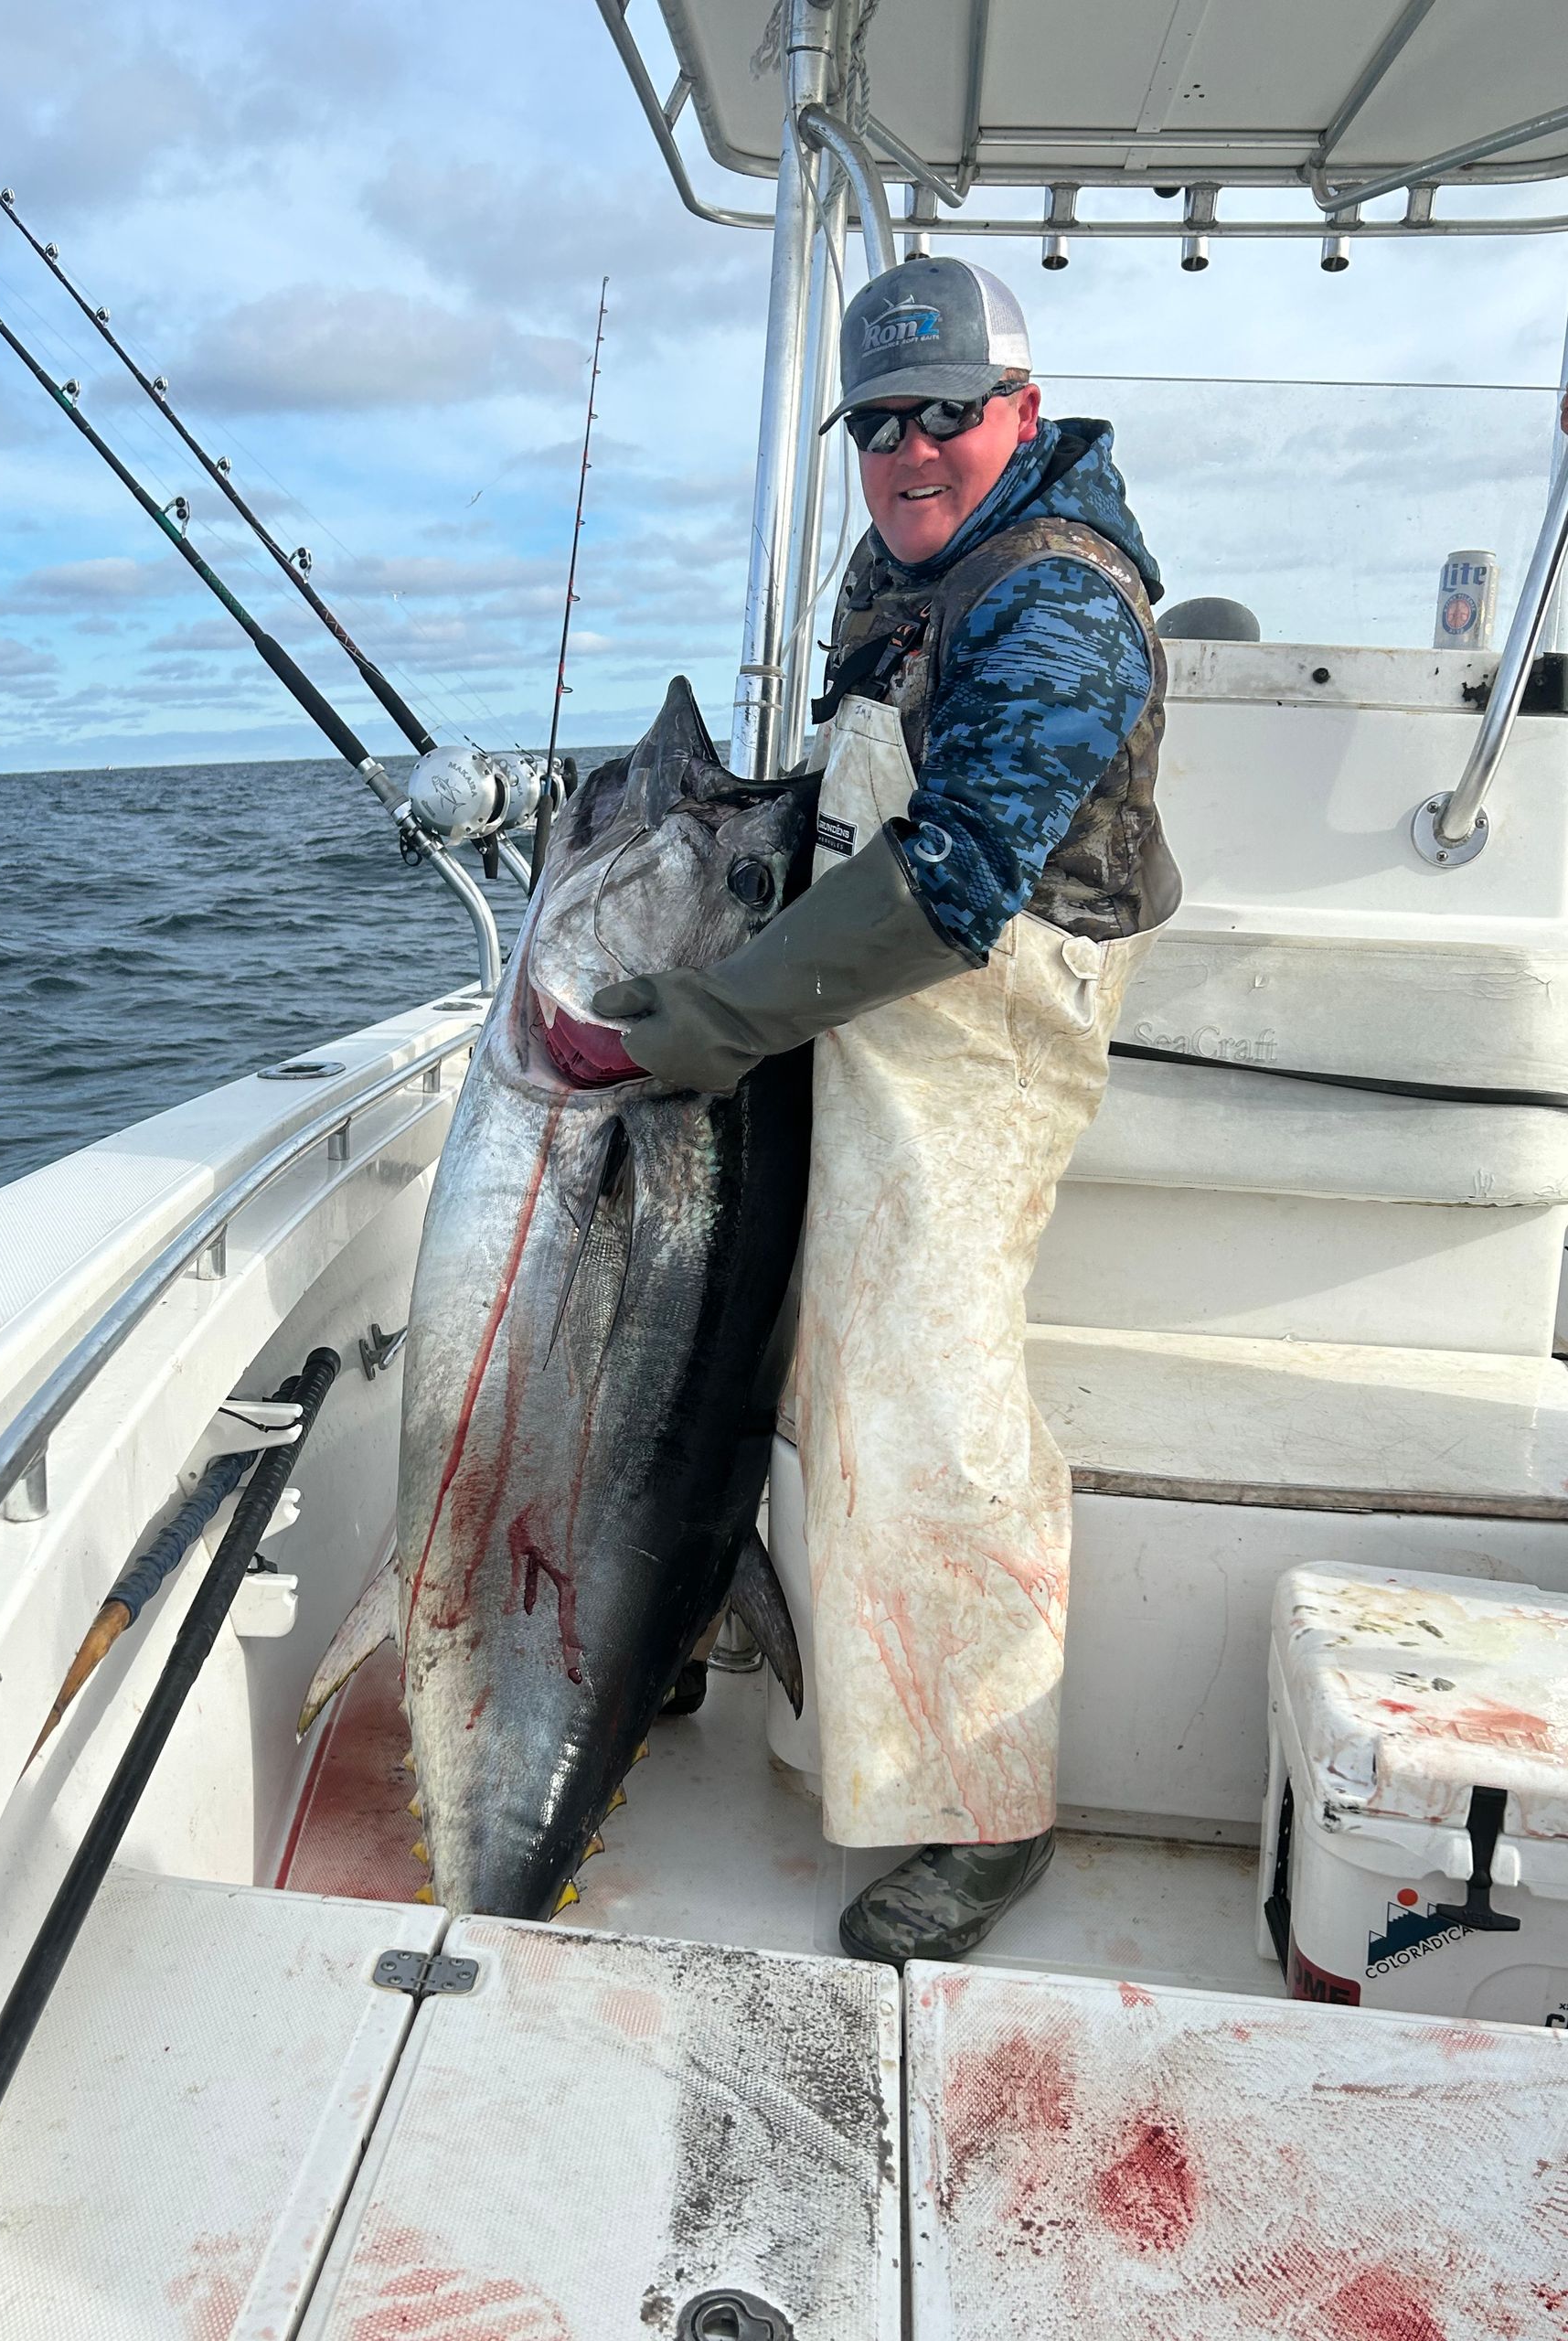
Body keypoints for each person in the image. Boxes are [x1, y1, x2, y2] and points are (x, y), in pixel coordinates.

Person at [592, 255, 1178, 1967]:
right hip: (854, 1017)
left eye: (945, 415)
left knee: (930, 1400)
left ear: (1023, 408)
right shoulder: (901, 566)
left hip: (983, 1032)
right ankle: (722, 1638)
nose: (909, 452)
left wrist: (719, 1015)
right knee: (781, 1353)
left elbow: (960, 873)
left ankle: (989, 1810)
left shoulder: (1064, 601)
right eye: (876, 425)